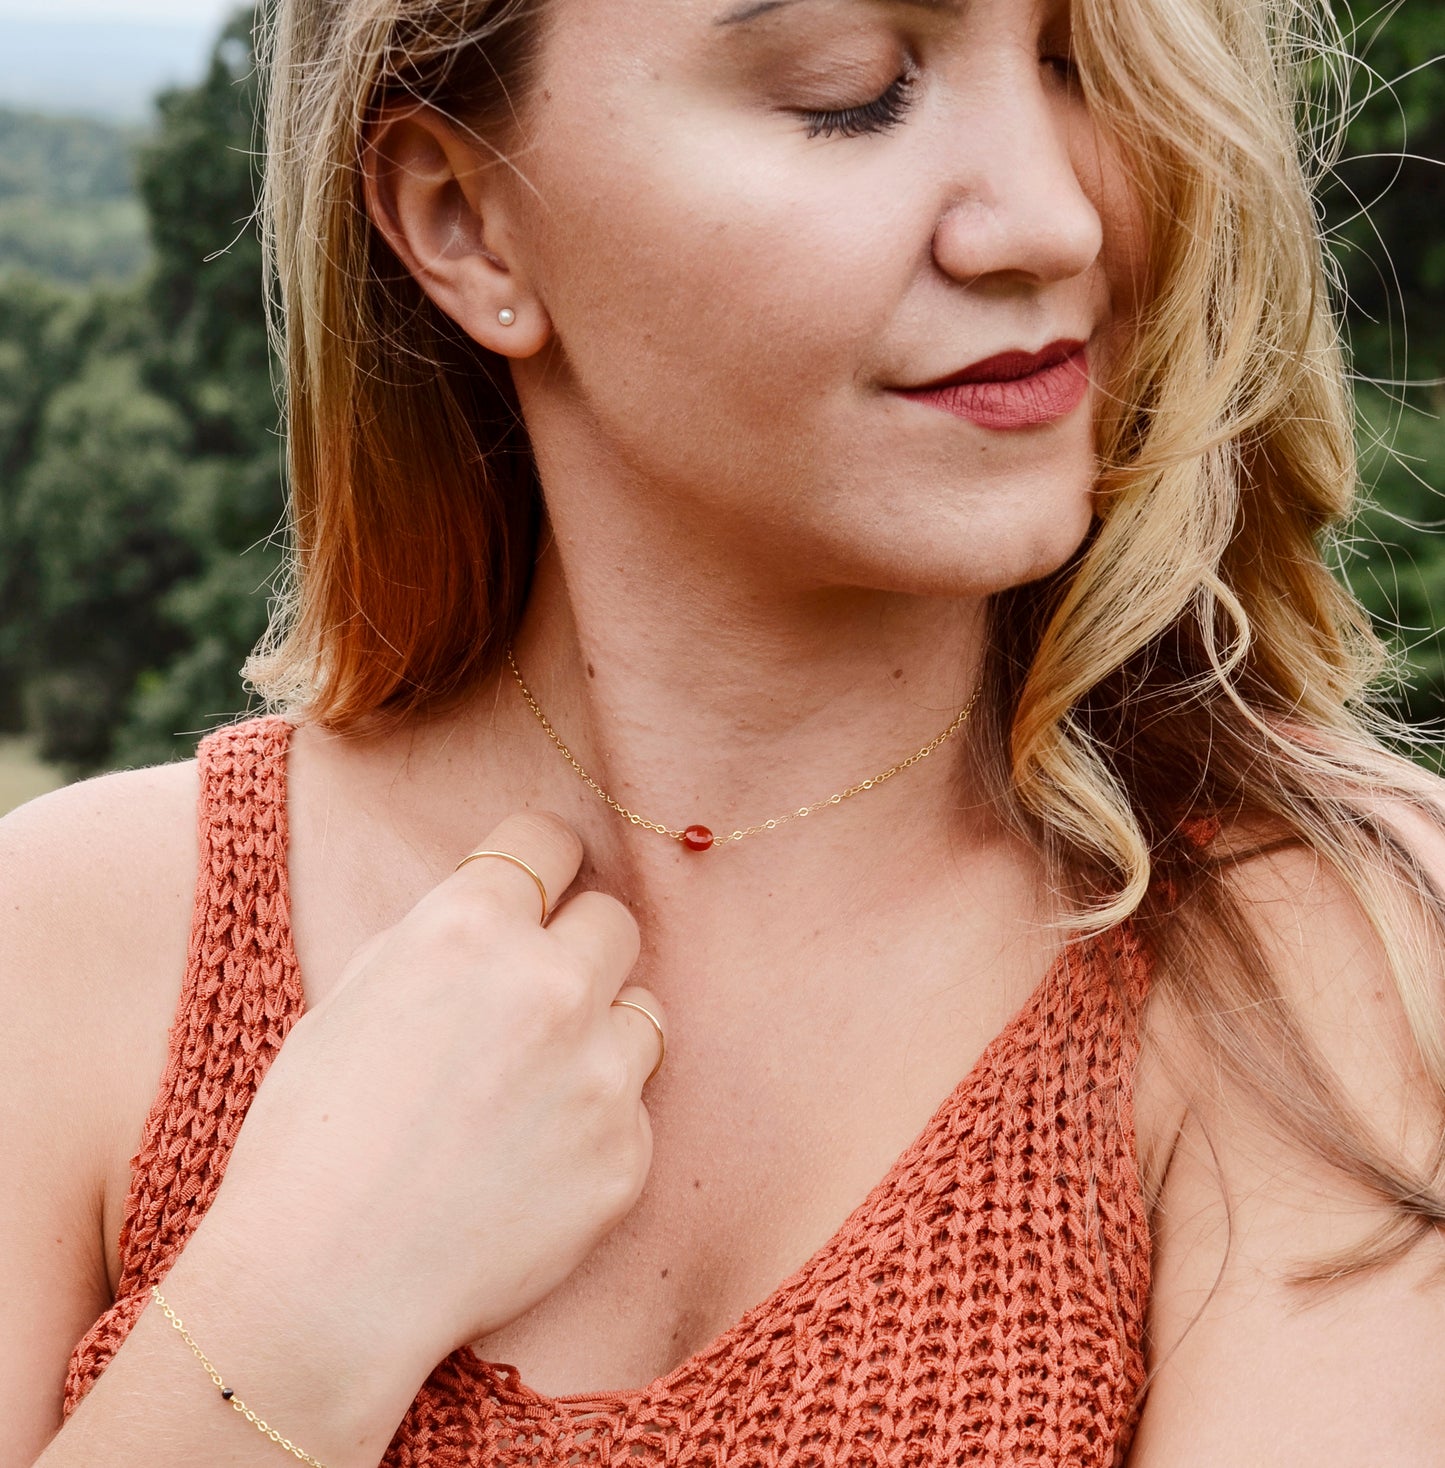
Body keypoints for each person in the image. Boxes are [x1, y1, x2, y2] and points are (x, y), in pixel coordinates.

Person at [4, 0, 1444, 1462]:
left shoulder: (1321, 975)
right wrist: (286, 1320)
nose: (1050, 219)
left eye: (1079, 65)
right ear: (464, 224)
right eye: (850, 90)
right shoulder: (72, 945)